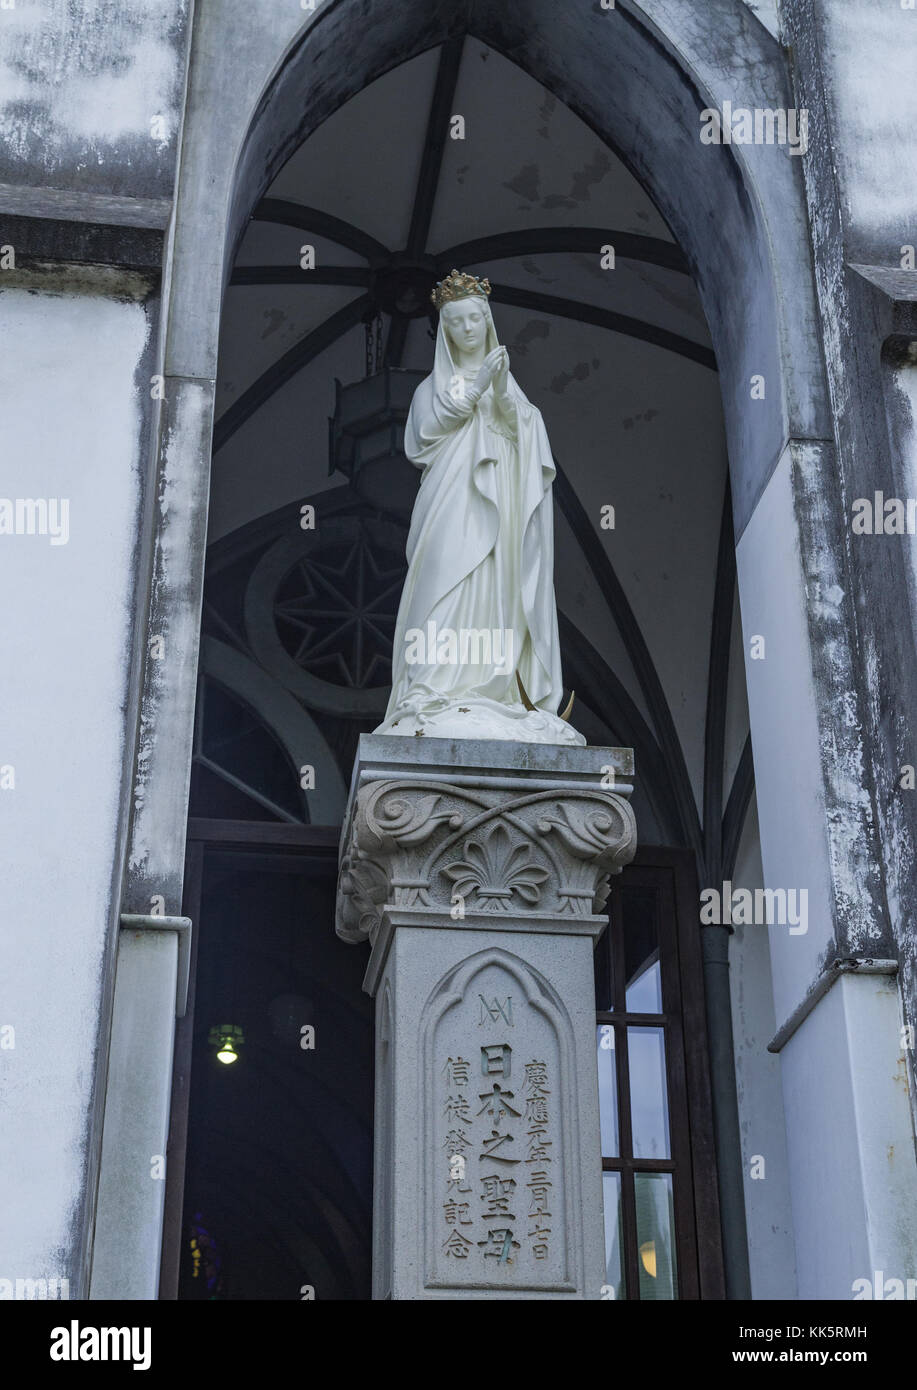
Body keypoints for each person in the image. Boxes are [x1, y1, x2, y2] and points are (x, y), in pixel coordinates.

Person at [375, 268, 583, 745]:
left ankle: (498, 691)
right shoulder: (430, 387)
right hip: (451, 501)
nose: (467, 330)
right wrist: (478, 385)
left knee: (497, 583)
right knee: (443, 579)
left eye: (474, 320)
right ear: (444, 333)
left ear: (486, 322)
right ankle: (433, 685)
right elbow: (425, 435)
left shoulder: (507, 384)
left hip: (501, 506)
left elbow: (529, 436)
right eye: (456, 323)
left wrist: (504, 394)